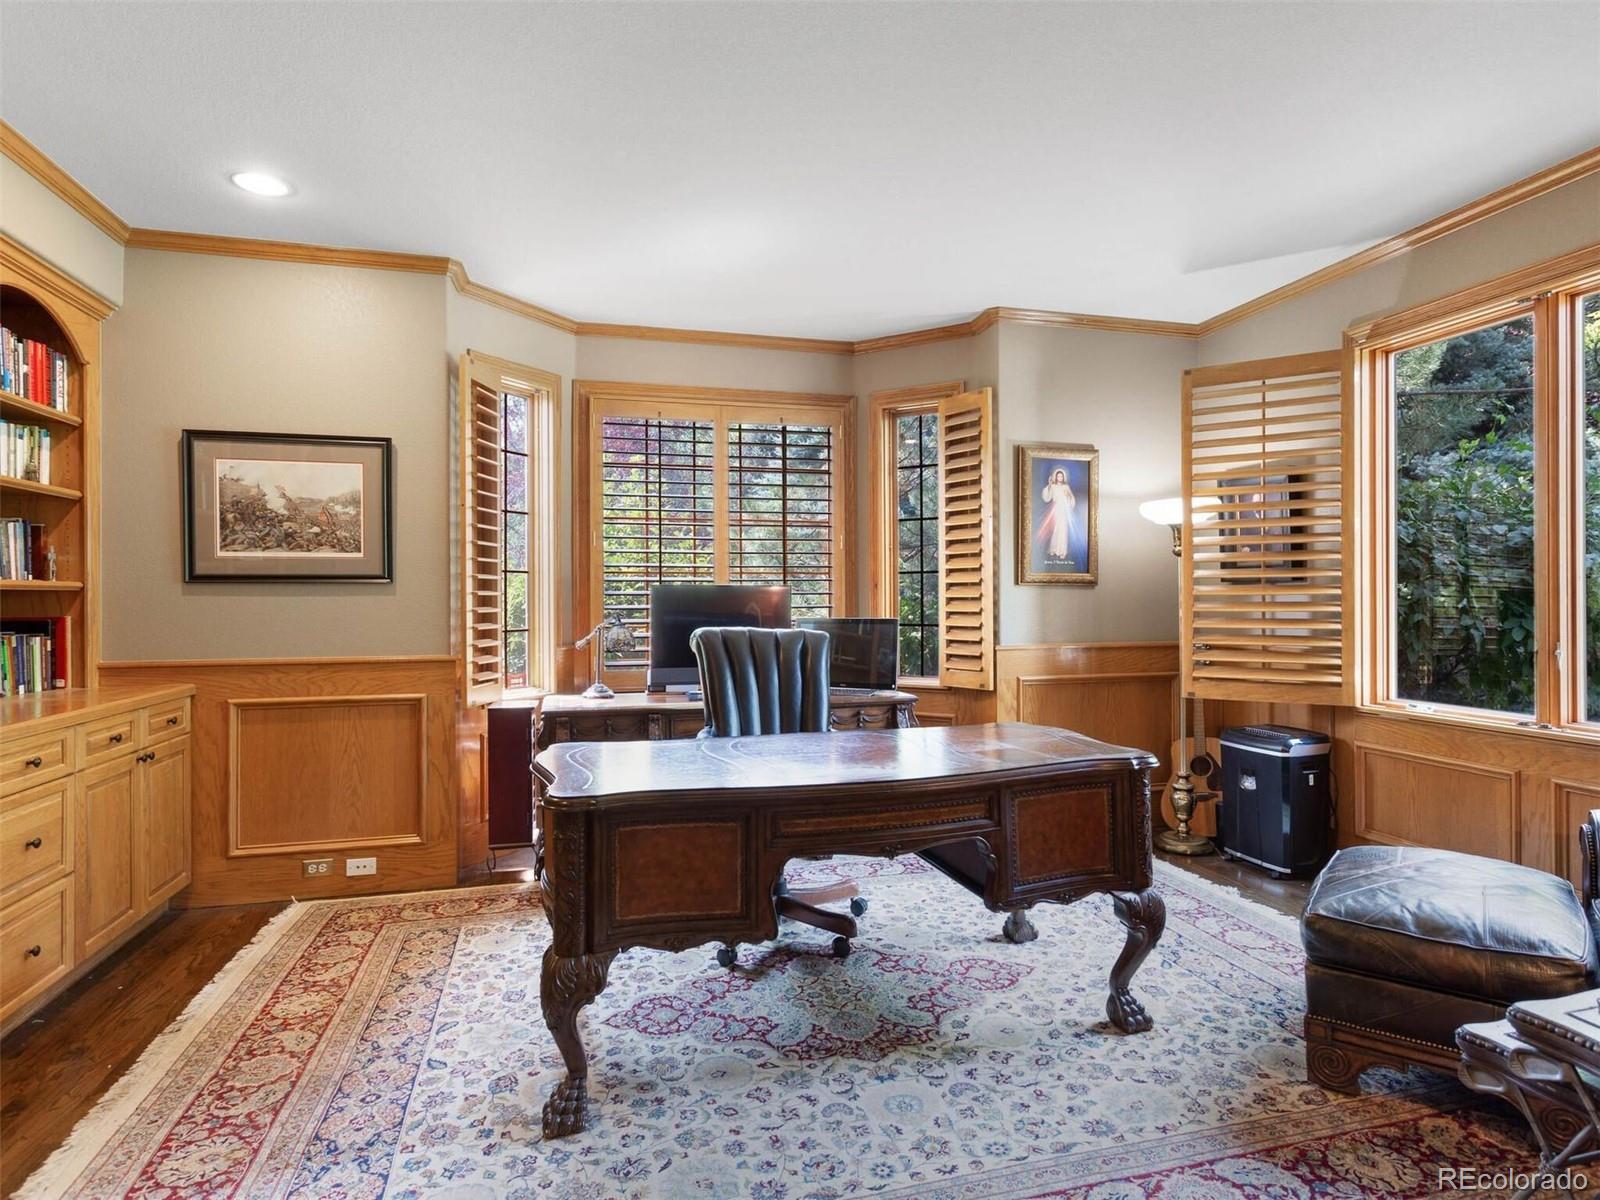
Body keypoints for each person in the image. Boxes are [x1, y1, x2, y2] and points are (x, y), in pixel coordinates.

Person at [1037, 467, 1076, 562]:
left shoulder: (1066, 487)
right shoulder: (1053, 486)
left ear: (1063, 478)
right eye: (1058, 476)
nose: (1060, 478)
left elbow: (1071, 499)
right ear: (1056, 477)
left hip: (1064, 510)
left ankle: (1062, 551)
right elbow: (1047, 497)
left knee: (1063, 530)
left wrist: (1069, 497)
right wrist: (1049, 485)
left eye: (1061, 476)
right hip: (1056, 510)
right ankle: (1054, 549)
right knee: (1056, 529)